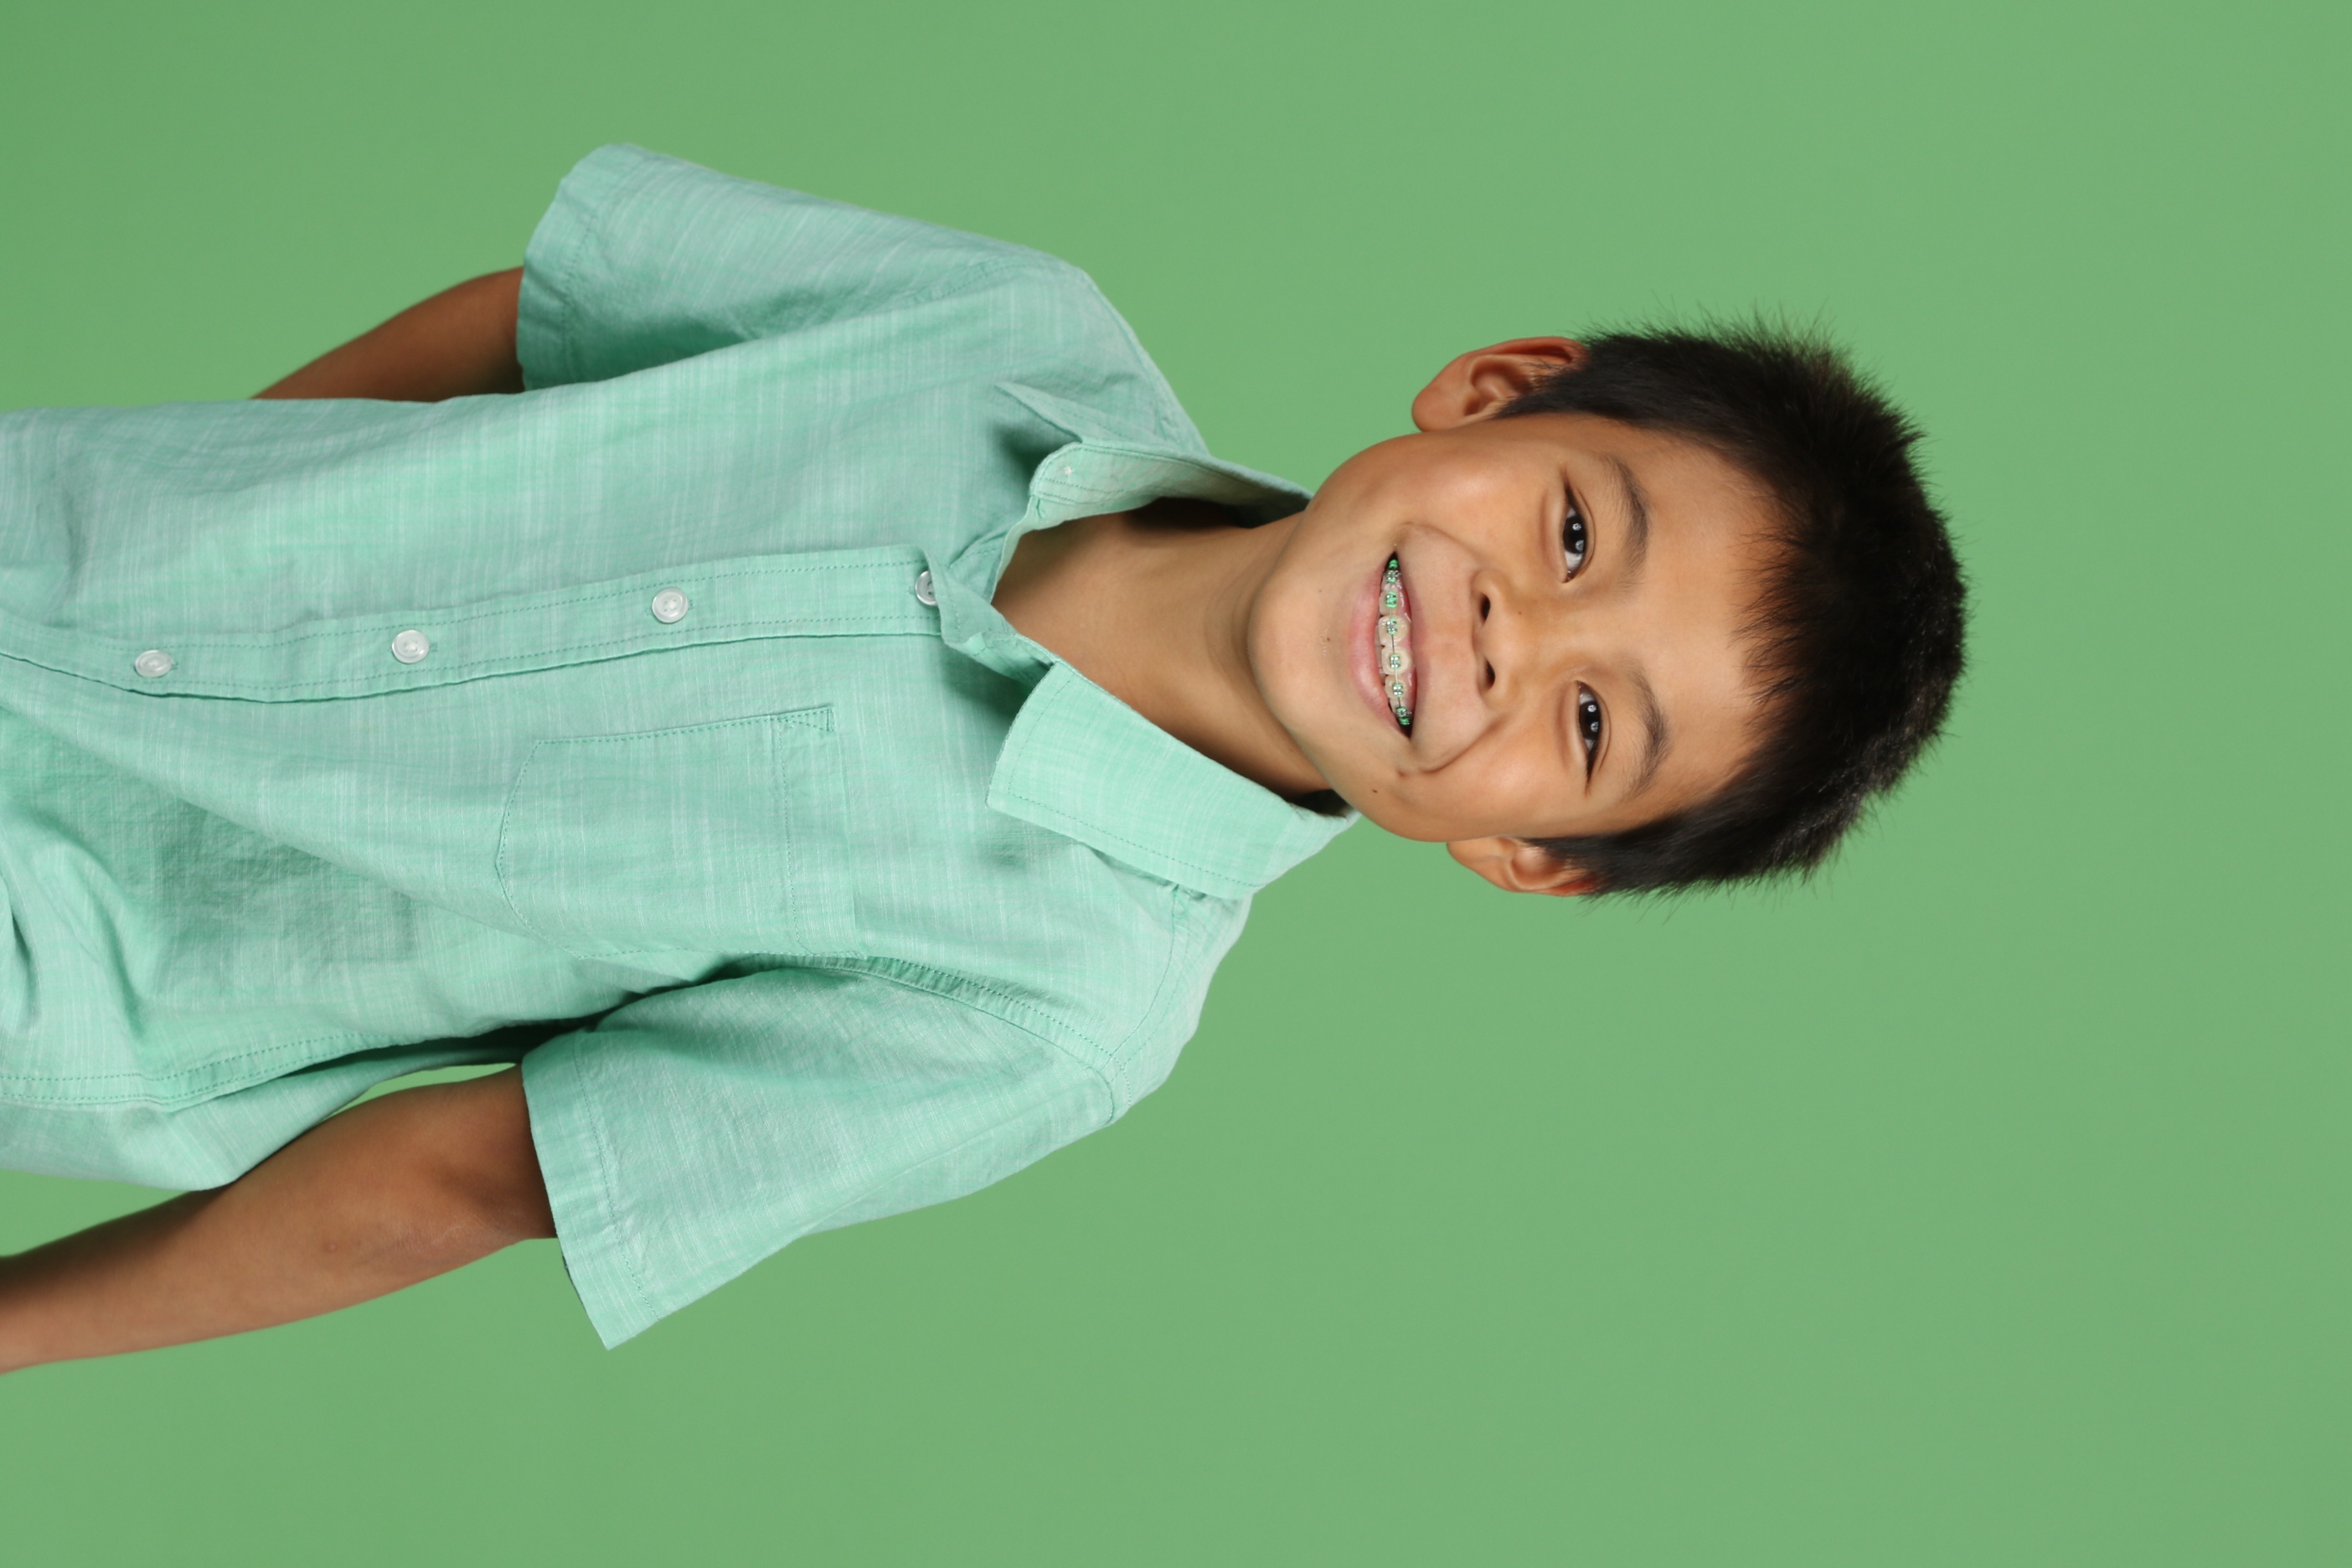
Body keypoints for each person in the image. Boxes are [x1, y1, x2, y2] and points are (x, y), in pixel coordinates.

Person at [0, 146, 1965, 1369]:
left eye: (1592, 725)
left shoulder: (1052, 1009)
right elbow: (541, 318)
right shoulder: (997, 324)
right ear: (1499, 391)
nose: (1507, 637)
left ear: (1531, 854)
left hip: (54, 968)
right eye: (1574, 533)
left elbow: (464, 1178)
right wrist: (194, 516)